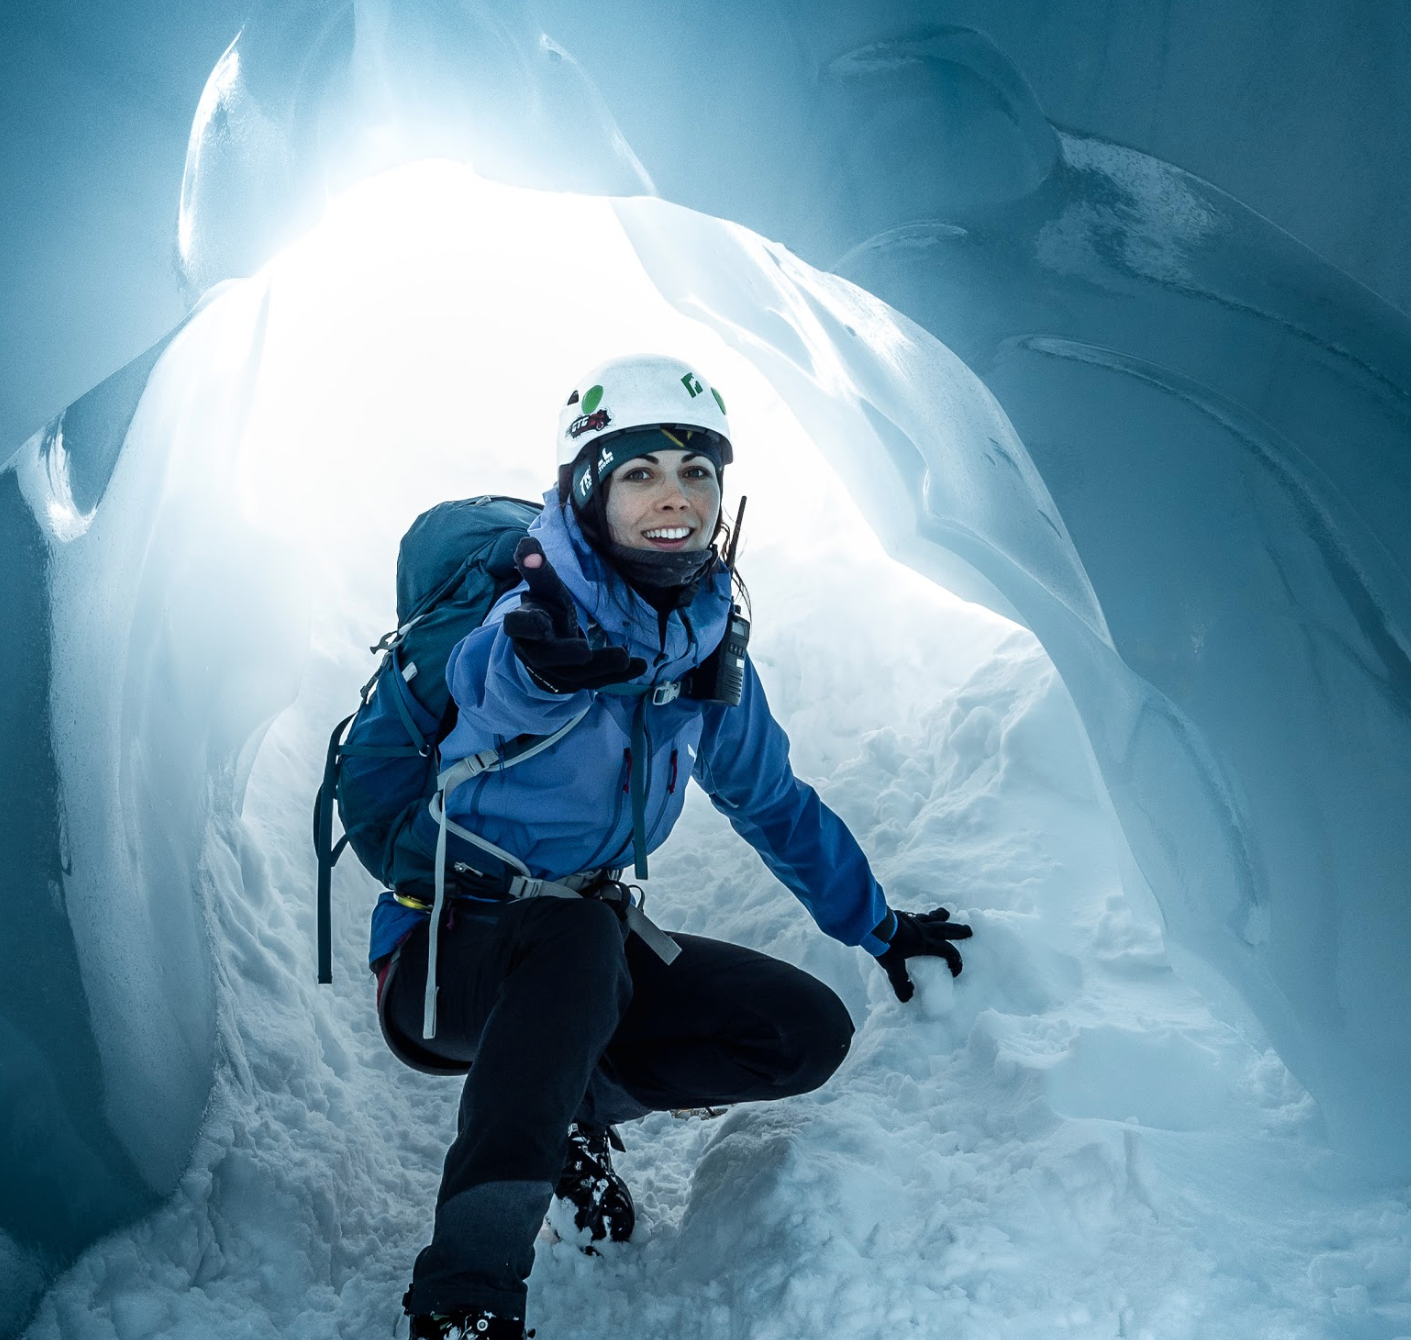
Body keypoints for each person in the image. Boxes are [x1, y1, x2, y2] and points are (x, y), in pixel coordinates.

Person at [368, 354, 973, 1340]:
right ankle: (465, 1291)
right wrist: (536, 663)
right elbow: (482, 683)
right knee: (572, 940)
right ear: (587, 489)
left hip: (582, 951)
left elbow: (773, 802)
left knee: (798, 1029)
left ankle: (565, 1110)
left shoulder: (702, 653)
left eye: (696, 472)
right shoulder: (520, 621)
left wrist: (879, 925)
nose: (674, 497)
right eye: (639, 471)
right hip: (445, 959)